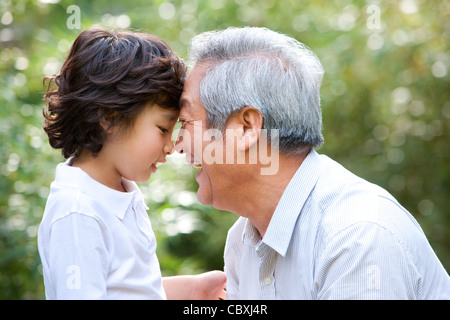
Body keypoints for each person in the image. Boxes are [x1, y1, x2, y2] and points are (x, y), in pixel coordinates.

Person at [175, 26, 450, 299]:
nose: (177, 144)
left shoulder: (356, 237)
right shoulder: (243, 240)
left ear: (246, 128)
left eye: (186, 122)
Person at [38, 28, 225, 300]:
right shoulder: (79, 213)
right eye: (162, 128)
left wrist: (192, 290)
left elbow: (127, 290)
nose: (170, 146)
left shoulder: (118, 192)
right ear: (110, 118)